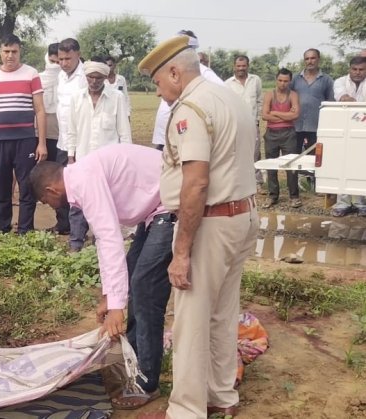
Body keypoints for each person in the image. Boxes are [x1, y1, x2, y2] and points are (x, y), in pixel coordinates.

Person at [137, 35, 259, 419]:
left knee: (190, 321)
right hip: (243, 216)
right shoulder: (229, 98)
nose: (159, 93)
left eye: (158, 83)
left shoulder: (190, 107)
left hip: (211, 223)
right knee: (223, 314)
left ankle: (187, 410)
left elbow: (196, 182)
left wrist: (182, 251)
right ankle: (221, 396)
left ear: (175, 71)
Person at [31, 143, 172, 410]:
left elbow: (109, 238)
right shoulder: (82, 175)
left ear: (51, 190)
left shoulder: (84, 181)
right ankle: (135, 360)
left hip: (171, 204)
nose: (49, 206)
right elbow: (106, 240)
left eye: (45, 202)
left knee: (144, 287)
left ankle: (147, 381)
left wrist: (117, 308)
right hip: (155, 208)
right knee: (132, 276)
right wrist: (111, 297)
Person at [0, 33, 47, 234]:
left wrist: (41, 142)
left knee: (27, 187)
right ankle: (3, 228)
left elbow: (40, 110)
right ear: (0, 52)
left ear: (20, 52)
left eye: (14, 51)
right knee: (2, 187)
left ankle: (25, 230)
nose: (10, 56)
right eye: (6, 51)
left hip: (25, 140)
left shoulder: (31, 74)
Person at [66, 60, 132, 252]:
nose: (94, 81)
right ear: (86, 77)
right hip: (83, 159)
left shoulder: (117, 97)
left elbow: (124, 132)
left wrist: (126, 159)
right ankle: (76, 243)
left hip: (108, 163)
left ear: (105, 77)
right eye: (90, 77)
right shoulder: (77, 98)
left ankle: (101, 243)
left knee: (105, 204)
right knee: (78, 203)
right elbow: (72, 130)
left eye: (98, 78)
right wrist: (71, 157)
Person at [151, 30, 224, 151]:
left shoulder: (200, 70)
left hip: (185, 135)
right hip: (163, 135)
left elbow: (222, 92)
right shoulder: (166, 68)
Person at [53, 39, 86, 235]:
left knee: (81, 188)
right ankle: (63, 225)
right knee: (62, 185)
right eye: (61, 59)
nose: (64, 63)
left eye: (68, 59)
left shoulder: (85, 77)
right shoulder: (60, 77)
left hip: (81, 143)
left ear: (78, 55)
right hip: (63, 141)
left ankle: (80, 230)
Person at [331, 55, 366, 217]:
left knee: (362, 167)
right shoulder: (340, 82)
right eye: (355, 69)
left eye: (361, 69)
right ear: (349, 69)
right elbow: (343, 98)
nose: (358, 72)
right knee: (342, 166)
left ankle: (361, 204)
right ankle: (342, 204)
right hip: (343, 130)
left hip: (363, 131)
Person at [39, 43, 69, 235]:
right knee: (46, 182)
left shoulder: (69, 80)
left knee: (65, 183)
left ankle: (67, 224)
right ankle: (60, 222)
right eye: (52, 61)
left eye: (59, 61)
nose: (55, 65)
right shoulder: (39, 79)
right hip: (43, 136)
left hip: (64, 139)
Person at [261, 68, 301, 209]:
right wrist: (286, 116)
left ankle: (294, 196)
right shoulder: (269, 95)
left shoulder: (293, 95)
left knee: (291, 165)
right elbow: (265, 115)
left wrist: (276, 113)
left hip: (288, 133)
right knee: (271, 165)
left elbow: (295, 115)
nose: (283, 83)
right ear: (276, 80)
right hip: (271, 133)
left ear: (290, 81)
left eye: (286, 81)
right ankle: (272, 196)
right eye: (280, 80)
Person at [226, 55, 264, 186]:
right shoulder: (228, 84)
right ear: (234, 67)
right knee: (235, 153)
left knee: (255, 152)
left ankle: (257, 181)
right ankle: (238, 180)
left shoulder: (255, 80)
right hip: (235, 125)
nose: (241, 68)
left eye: (243, 66)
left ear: (248, 66)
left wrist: (257, 120)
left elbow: (259, 101)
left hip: (252, 124)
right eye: (238, 66)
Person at [291, 48, 335, 156]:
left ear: (318, 59)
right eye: (307, 59)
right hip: (296, 126)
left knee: (314, 159)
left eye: (313, 58)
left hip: (316, 127)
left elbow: (331, 103)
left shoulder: (327, 80)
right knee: (293, 158)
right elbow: (287, 97)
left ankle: (311, 174)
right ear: (304, 60)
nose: (310, 61)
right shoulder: (295, 79)